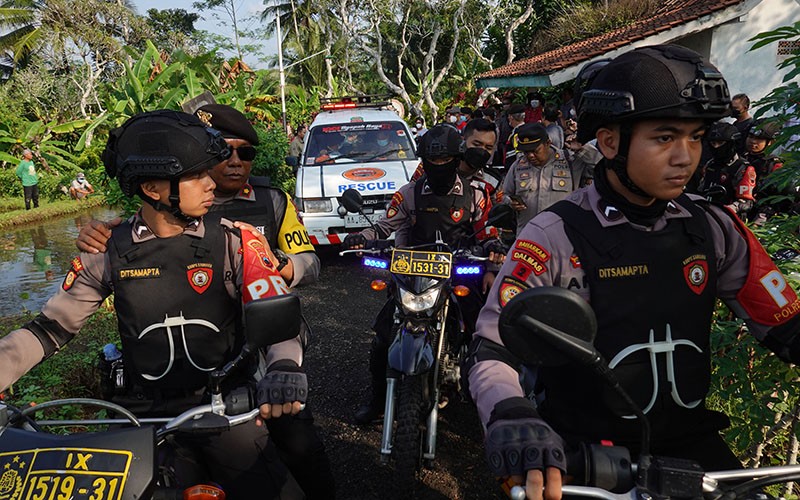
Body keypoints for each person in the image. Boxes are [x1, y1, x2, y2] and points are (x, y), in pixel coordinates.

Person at [466, 44, 800, 499]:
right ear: (609, 142)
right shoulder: (553, 235)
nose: (686, 157)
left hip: (693, 450)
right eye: (665, 137)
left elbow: (785, 322)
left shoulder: (714, 227)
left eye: (696, 137)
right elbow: (494, 350)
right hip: (582, 455)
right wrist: (512, 415)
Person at [0, 110, 309, 499]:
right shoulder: (107, 251)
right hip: (142, 417)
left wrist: (283, 366)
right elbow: (49, 330)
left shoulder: (237, 241)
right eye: (196, 175)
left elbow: (274, 310)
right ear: (152, 188)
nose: (210, 182)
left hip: (226, 408)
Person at [75, 104, 331, 498]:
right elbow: (58, 319)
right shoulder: (147, 221)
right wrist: (99, 242)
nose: (231, 164)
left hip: (254, 357)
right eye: (220, 154)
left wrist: (269, 265)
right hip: (164, 388)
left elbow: (309, 263)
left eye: (243, 154)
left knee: (298, 447)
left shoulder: (268, 204)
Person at [343, 124, 505, 424]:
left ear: (458, 159)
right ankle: (378, 399)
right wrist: (362, 237)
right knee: (382, 338)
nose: (439, 166)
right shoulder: (409, 193)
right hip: (413, 274)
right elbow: (383, 226)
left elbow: (487, 231)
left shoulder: (478, 194)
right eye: (434, 161)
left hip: (459, 272)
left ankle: (485, 397)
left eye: (446, 160)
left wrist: (493, 250)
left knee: (482, 333)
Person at [502, 122, 574, 233]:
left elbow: (599, 165)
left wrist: (584, 149)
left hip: (561, 236)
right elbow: (505, 195)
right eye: (526, 152)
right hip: (527, 235)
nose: (530, 155)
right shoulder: (518, 166)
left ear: (548, 143)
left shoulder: (569, 161)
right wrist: (510, 203)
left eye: (535, 151)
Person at [698, 121, 756, 218]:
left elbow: (746, 202)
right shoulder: (710, 164)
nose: (716, 147)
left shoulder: (742, 167)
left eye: (720, 143)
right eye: (713, 143)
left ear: (731, 143)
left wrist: (728, 210)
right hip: (706, 213)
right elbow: (701, 190)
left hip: (730, 218)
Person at [504, 104, 527, 169]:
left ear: (511, 117)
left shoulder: (517, 133)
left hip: (515, 168)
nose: (508, 118)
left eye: (508, 116)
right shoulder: (524, 129)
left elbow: (519, 154)